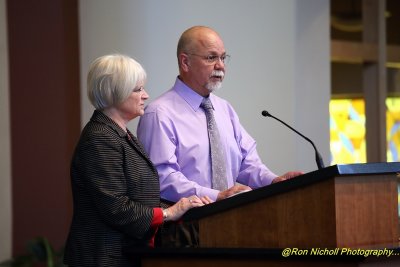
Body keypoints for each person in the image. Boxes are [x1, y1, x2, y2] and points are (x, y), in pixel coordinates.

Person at [63, 54, 211, 267]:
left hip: (126, 255)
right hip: (104, 258)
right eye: (138, 89)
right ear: (115, 92)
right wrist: (169, 212)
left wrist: (185, 206)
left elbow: (142, 196)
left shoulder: (121, 134)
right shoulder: (99, 138)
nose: (146, 95)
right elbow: (116, 207)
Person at [137, 26, 303, 205]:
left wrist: (273, 181)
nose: (221, 66)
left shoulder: (224, 109)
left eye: (223, 58)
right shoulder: (159, 114)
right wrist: (216, 196)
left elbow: (247, 162)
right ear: (185, 62)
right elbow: (163, 179)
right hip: (185, 226)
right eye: (211, 58)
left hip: (228, 222)